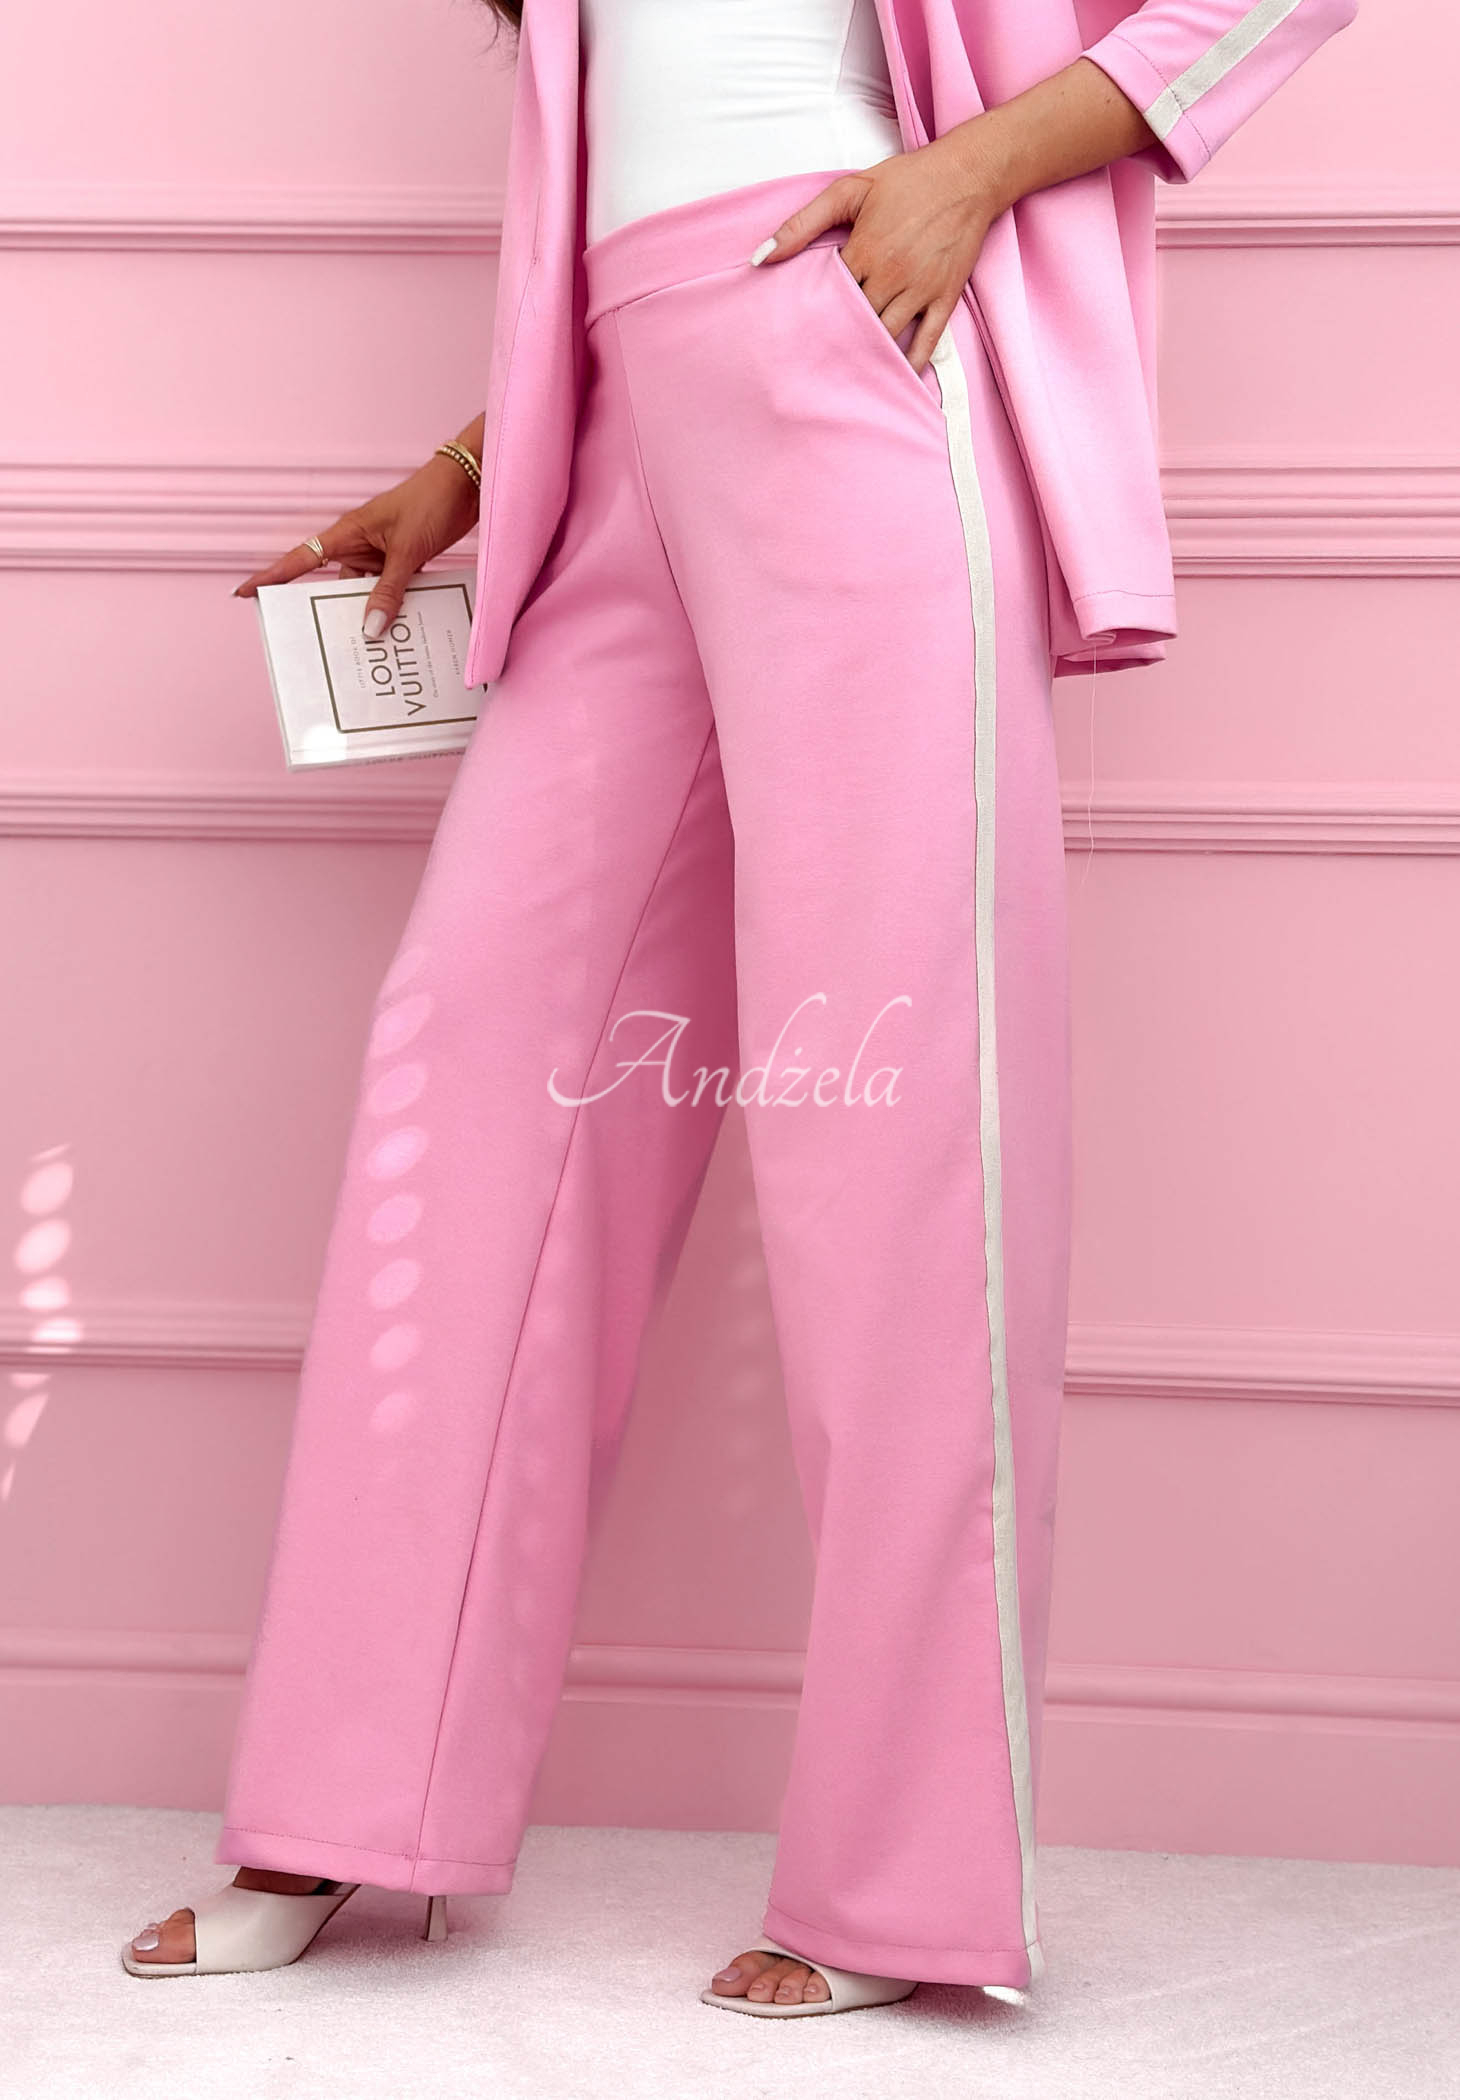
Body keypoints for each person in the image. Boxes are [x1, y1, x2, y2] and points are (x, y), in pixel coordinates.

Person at [122, 0, 1357, 2017]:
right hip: (623, 432)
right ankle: (354, 1799)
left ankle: (905, 1881)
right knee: (476, 1073)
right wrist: (475, 456)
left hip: (859, 360)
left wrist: (971, 172)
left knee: (898, 1136)